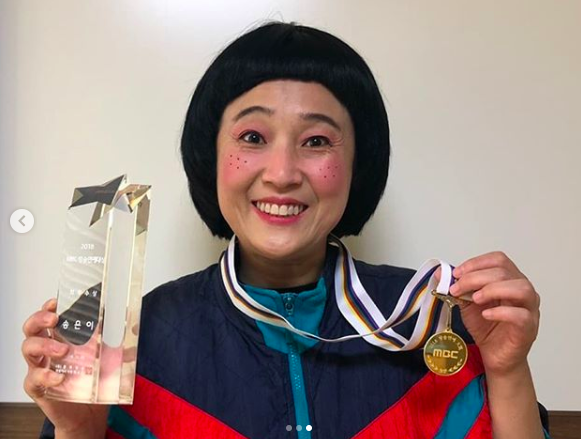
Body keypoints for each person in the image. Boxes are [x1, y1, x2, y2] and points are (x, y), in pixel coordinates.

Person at [22, 21, 550, 439]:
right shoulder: (134, 341)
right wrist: (77, 431)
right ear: (211, 157)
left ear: (358, 165)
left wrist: (507, 370)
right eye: (253, 137)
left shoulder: (431, 319)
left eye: (316, 141)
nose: (281, 172)